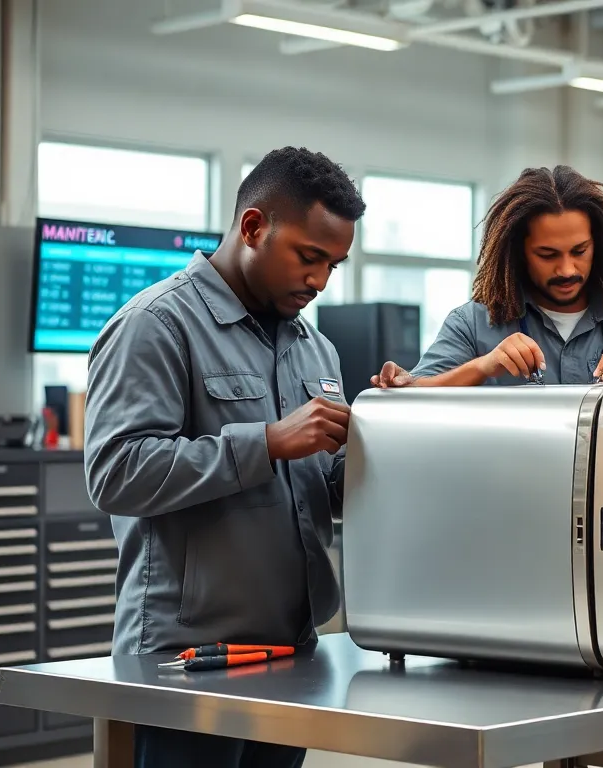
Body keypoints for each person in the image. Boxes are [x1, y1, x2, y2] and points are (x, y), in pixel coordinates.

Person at [84, 147, 365, 768]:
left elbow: (322, 490)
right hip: (185, 659)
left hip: (293, 653)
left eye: (334, 264)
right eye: (309, 257)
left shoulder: (315, 349)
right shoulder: (156, 325)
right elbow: (114, 472)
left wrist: (394, 451)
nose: (320, 280)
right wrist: (265, 441)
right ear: (253, 227)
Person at [371, 166, 603, 389]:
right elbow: (415, 397)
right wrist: (483, 367)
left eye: (579, 251)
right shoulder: (473, 324)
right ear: (518, 252)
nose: (567, 270)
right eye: (548, 255)